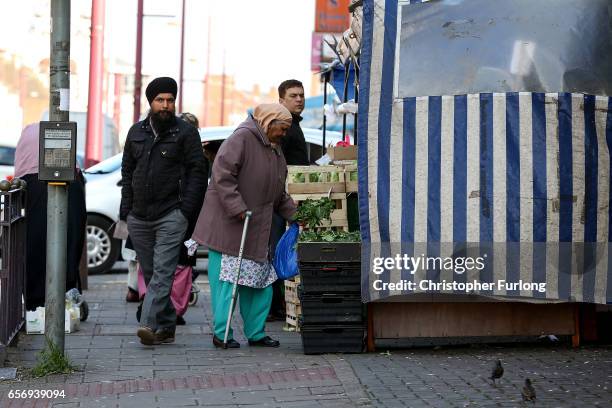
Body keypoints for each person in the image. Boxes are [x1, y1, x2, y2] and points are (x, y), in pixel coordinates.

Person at [192, 103, 297, 349]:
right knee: (228, 285)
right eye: (281, 129)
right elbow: (222, 175)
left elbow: (278, 193)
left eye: (286, 130)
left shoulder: (275, 149)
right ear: (268, 123)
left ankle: (256, 333)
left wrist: (295, 214)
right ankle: (222, 334)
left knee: (260, 284)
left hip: (257, 229)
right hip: (231, 228)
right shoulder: (241, 138)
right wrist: (237, 207)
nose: (284, 134)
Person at [120, 77, 207, 345]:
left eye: (170, 100)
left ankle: (148, 323)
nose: (166, 105)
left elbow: (198, 172)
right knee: (150, 270)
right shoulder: (136, 132)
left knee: (162, 273)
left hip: (172, 214)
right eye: (160, 100)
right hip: (140, 216)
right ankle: (167, 324)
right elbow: (127, 172)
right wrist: (127, 212)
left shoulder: (185, 133)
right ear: (151, 102)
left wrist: (186, 211)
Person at [14, 122, 87, 311]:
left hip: (35, 184)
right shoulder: (56, 135)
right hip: (70, 181)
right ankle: (67, 297)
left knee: (36, 243)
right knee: (69, 244)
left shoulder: (29, 133)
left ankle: (36, 303)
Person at [266, 79, 309, 321]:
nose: (299, 99)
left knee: (281, 249)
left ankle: (279, 303)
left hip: (289, 199)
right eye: (293, 95)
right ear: (281, 100)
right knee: (275, 250)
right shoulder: (283, 127)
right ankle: (273, 306)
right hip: (279, 200)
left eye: (302, 95)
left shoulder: (295, 125)